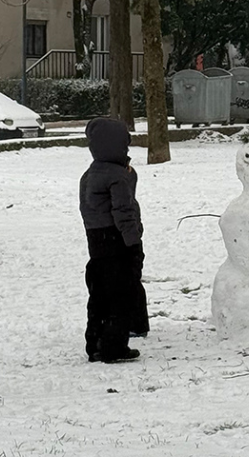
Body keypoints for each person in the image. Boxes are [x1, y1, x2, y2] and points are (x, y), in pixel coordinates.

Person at [79, 117, 146, 363]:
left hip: (96, 241)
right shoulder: (117, 176)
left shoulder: (89, 174)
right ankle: (114, 346)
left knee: (99, 295)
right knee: (121, 295)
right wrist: (134, 242)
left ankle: (95, 343)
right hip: (118, 241)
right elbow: (124, 212)